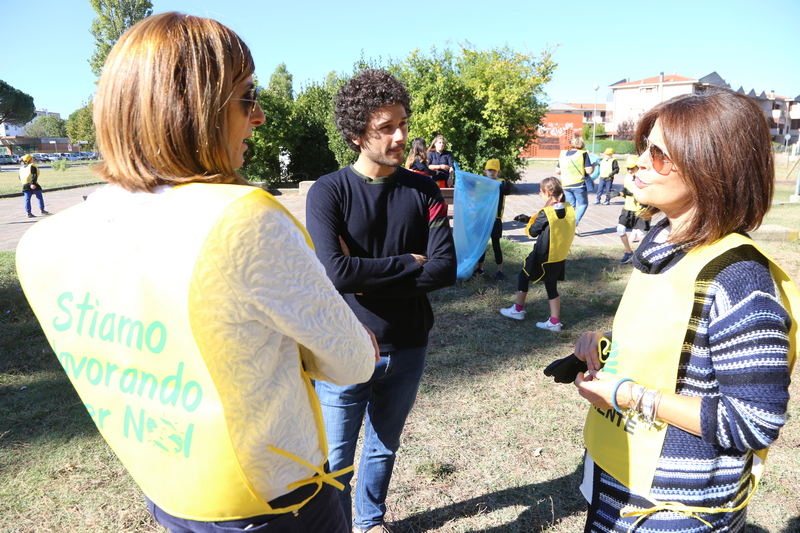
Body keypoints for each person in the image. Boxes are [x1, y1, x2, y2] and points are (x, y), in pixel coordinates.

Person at [16, 13, 379, 533]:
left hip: (170, 493)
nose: (258, 117)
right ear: (193, 108)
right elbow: (354, 361)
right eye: (248, 96)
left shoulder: (44, 243)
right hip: (274, 502)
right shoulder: (240, 220)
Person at [571, 88, 798, 532]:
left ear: (710, 167)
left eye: (659, 154)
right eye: (644, 147)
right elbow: (681, 349)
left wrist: (629, 396)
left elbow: (754, 421)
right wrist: (607, 346)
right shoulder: (664, 250)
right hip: (618, 481)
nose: (638, 162)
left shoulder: (739, 278)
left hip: (677, 511)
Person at [306, 69, 457, 533]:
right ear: (356, 135)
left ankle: (370, 521)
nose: (401, 137)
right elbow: (335, 272)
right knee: (335, 459)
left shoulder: (424, 189)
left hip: (409, 343)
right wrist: (408, 262)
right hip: (344, 347)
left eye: (403, 124)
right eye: (386, 127)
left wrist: (365, 277)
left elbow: (444, 268)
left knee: (384, 447)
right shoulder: (329, 192)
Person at [500, 176, 575, 331]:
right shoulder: (568, 208)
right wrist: (531, 218)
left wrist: (531, 221)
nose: (540, 194)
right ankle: (554, 321)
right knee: (551, 285)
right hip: (558, 255)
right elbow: (553, 223)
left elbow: (532, 232)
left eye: (541, 192)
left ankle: (518, 310)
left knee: (523, 276)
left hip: (543, 254)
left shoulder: (546, 212)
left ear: (548, 193)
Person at [555, 137, 595, 235]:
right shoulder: (583, 154)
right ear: (582, 144)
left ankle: (567, 226)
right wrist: (594, 165)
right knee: (583, 204)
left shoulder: (563, 154)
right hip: (578, 184)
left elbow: (558, 171)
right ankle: (574, 224)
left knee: (570, 207)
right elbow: (589, 171)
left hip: (566, 184)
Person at [475, 158, 506, 281]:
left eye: (494, 170)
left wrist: (506, 186)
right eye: (489, 170)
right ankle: (480, 268)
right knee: (482, 244)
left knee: (496, 245)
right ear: (485, 171)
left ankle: (499, 270)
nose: (491, 172)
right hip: (483, 218)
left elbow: (506, 190)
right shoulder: (481, 183)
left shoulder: (501, 184)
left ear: (498, 172)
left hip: (495, 220)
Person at [617, 156, 650, 264]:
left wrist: (631, 194)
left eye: (632, 168)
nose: (630, 171)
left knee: (641, 235)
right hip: (628, 209)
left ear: (638, 167)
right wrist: (619, 193)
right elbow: (625, 191)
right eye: (628, 168)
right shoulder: (627, 177)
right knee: (620, 229)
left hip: (641, 210)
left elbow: (646, 195)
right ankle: (628, 252)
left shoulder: (644, 178)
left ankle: (640, 255)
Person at [19, 154, 49, 218]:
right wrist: (32, 183)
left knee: (27, 199)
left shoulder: (22, 168)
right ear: (29, 160)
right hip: (33, 184)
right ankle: (42, 210)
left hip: (25, 185)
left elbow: (20, 177)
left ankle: (28, 213)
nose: (33, 159)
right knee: (39, 197)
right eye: (31, 158)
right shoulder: (32, 166)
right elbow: (34, 175)